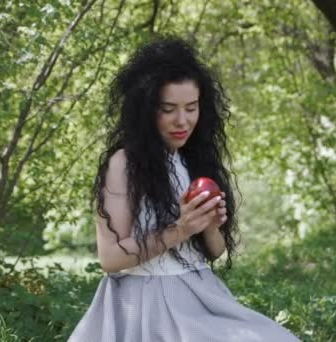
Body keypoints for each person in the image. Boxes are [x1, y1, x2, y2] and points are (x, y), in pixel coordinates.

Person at [68, 37, 300, 342]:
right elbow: (110, 259)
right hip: (145, 304)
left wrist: (210, 227)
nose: (182, 121)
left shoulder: (192, 159)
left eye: (191, 108)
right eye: (168, 109)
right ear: (147, 110)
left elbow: (214, 253)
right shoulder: (123, 163)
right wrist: (180, 229)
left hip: (200, 293)